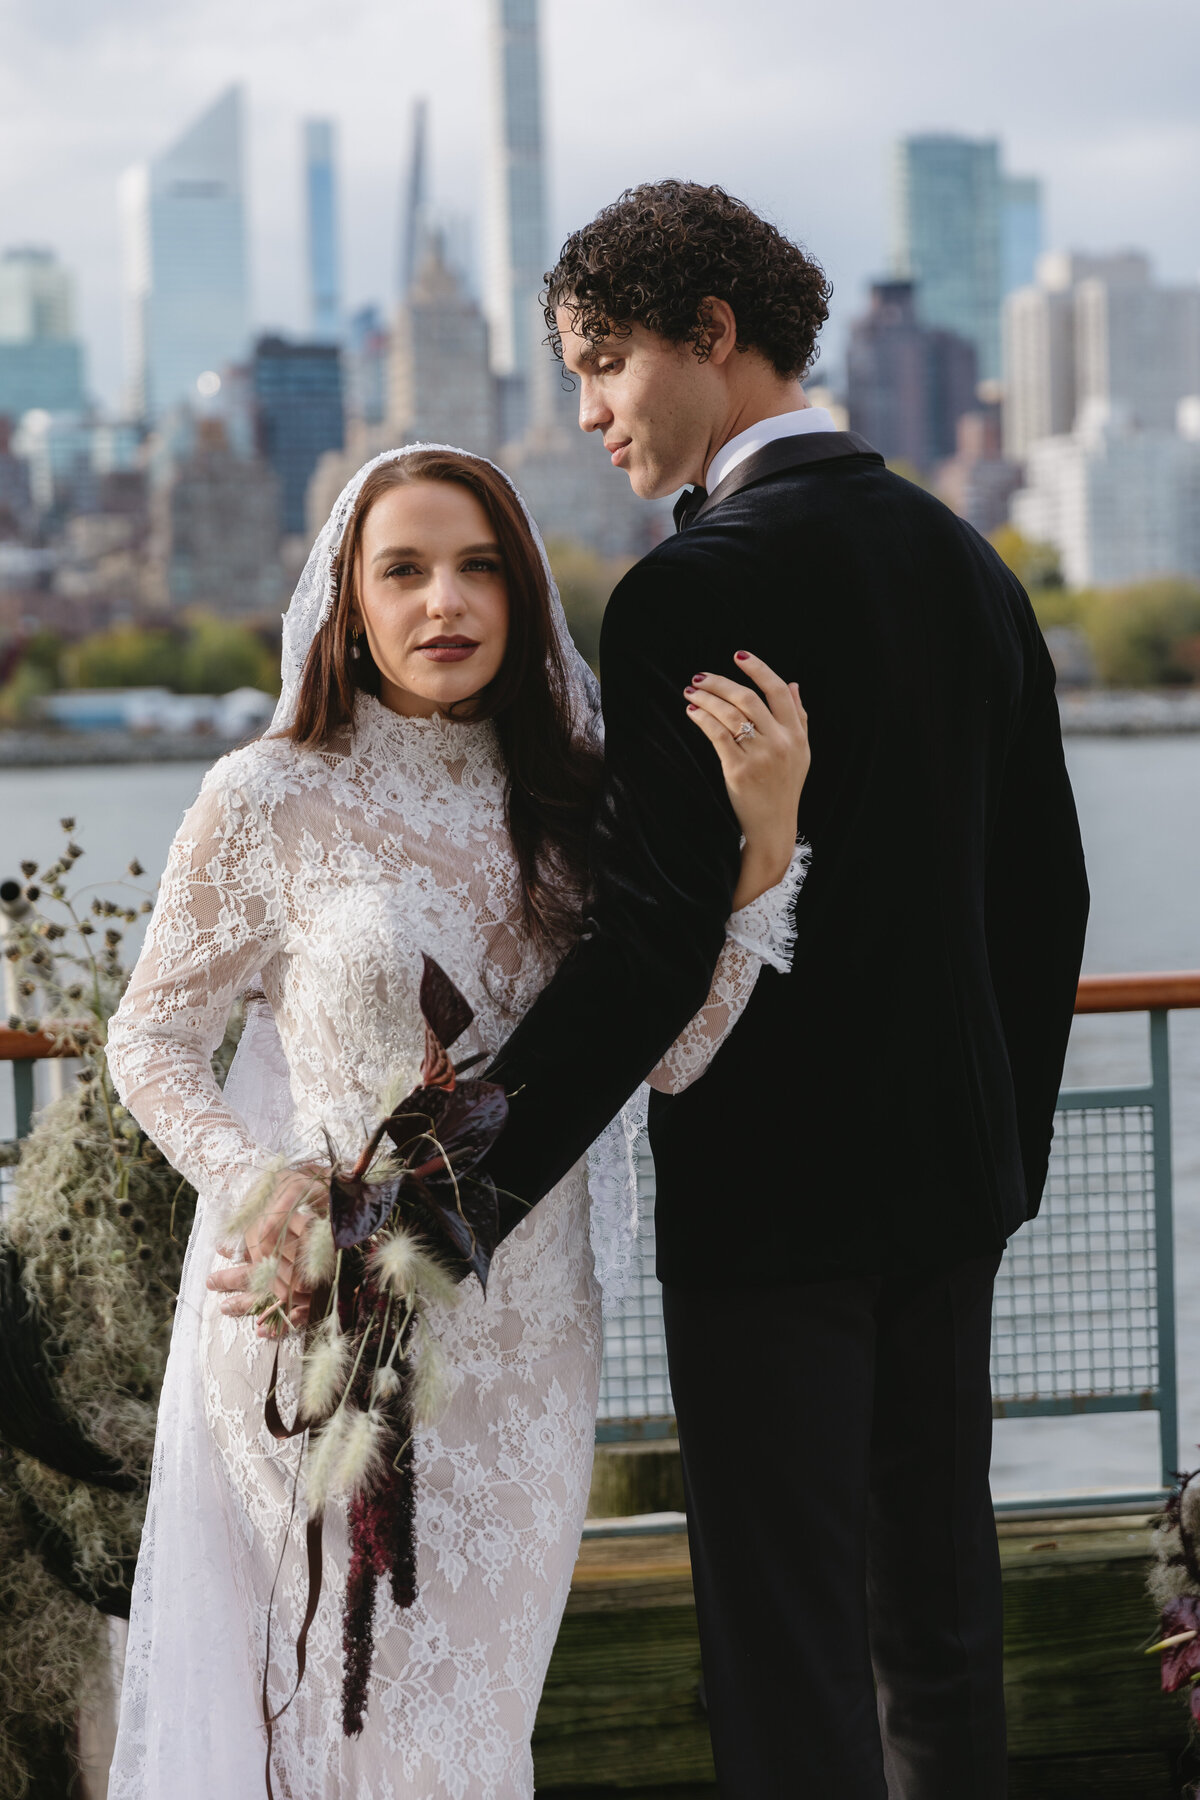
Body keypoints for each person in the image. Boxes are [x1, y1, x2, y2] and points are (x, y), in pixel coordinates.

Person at [474, 182, 1091, 1798]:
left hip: (771, 1211)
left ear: (712, 334)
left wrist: (446, 1189)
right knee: (937, 1623)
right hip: (952, 1196)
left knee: (789, 1640)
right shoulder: (973, 563)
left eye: (603, 365)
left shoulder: (691, 589)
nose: (593, 411)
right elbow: (1048, 903)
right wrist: (998, 1160)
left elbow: (652, 945)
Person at [104, 443, 810, 1800]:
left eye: (481, 566)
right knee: (341, 1721)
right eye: (407, 570)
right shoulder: (270, 796)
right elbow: (149, 1038)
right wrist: (270, 1189)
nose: (447, 601)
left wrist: (764, 848)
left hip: (530, 1340)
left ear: (527, 591)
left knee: (473, 1737)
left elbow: (674, 1058)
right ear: (349, 603)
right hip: (323, 1330)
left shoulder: (588, 797)